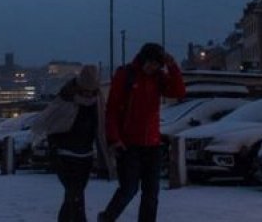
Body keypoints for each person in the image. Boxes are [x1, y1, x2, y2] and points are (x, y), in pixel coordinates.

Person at [98, 43, 186, 222]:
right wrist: (114, 139)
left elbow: (178, 92)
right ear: (144, 59)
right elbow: (112, 109)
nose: (152, 67)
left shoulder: (158, 77)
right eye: (151, 63)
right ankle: (107, 218)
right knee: (129, 189)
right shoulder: (126, 75)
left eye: (156, 65)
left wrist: (172, 66)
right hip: (129, 144)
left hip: (152, 144)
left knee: (151, 193)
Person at [32, 64, 113, 222]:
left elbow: (101, 127)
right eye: (86, 91)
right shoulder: (66, 97)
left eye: (91, 91)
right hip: (64, 154)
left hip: (85, 155)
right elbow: (47, 119)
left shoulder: (97, 100)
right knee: (74, 193)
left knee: (75, 193)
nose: (88, 94)